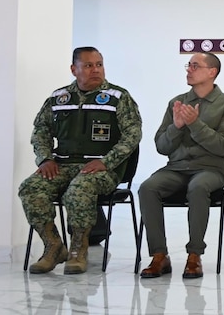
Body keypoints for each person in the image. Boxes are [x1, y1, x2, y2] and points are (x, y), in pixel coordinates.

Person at [19, 47, 143, 274]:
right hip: (62, 165)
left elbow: (133, 136)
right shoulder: (59, 98)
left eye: (99, 64)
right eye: (88, 65)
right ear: (74, 69)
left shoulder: (118, 98)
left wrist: (107, 161)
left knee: (78, 190)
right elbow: (40, 131)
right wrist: (45, 159)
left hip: (103, 169)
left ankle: (78, 250)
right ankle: (54, 246)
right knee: (30, 188)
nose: (96, 70)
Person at [138, 52, 224, 279]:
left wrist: (195, 125)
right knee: (147, 188)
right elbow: (161, 146)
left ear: (212, 72)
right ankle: (159, 255)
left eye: (195, 66)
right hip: (177, 168)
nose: (189, 70)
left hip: (211, 168)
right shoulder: (177, 103)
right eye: (189, 65)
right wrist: (176, 126)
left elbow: (223, 146)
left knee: (198, 187)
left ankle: (194, 255)